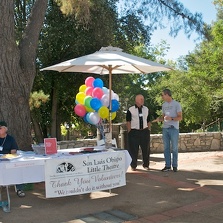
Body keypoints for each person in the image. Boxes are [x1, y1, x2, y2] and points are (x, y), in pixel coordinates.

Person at [152, 89, 182, 172]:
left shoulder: (177, 104)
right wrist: (159, 119)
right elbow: (163, 117)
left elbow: (180, 117)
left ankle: (175, 165)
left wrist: (171, 118)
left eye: (163, 95)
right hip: (165, 128)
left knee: (175, 148)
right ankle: (167, 165)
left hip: (174, 128)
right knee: (166, 148)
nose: (162, 97)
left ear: (167, 95)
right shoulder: (164, 105)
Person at [0, 121, 26, 197]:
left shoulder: (10, 139)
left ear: (5, 129)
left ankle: (19, 189)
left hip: (7, 160)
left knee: (17, 168)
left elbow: (13, 152)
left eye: (0, 128)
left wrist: (8, 156)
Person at [126, 94, 151, 171]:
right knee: (133, 150)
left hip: (144, 131)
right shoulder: (130, 110)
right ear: (136, 100)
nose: (142, 100)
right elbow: (128, 121)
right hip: (134, 132)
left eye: (143, 99)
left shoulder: (146, 109)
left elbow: (148, 120)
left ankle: (146, 165)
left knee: (146, 149)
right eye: (141, 99)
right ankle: (133, 165)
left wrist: (148, 130)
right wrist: (130, 131)